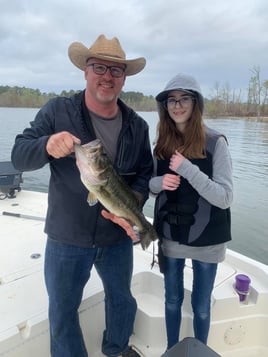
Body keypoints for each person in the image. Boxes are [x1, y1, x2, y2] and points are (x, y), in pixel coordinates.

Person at [11, 34, 153, 357]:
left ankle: (116, 349)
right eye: (99, 67)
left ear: (124, 78)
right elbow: (19, 154)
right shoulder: (58, 111)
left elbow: (146, 173)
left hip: (116, 237)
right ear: (85, 71)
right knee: (61, 313)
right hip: (66, 236)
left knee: (121, 300)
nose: (107, 76)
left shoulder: (138, 126)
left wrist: (135, 203)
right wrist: (46, 146)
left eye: (116, 70)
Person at [149, 73, 233, 351]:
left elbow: (225, 197)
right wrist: (159, 183)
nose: (177, 105)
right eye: (171, 100)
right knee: (171, 299)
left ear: (196, 103)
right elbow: (148, 185)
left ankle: (199, 351)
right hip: (172, 237)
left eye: (184, 98)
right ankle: (172, 350)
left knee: (201, 306)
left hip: (208, 241)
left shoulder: (216, 143)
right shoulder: (161, 142)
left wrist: (187, 169)